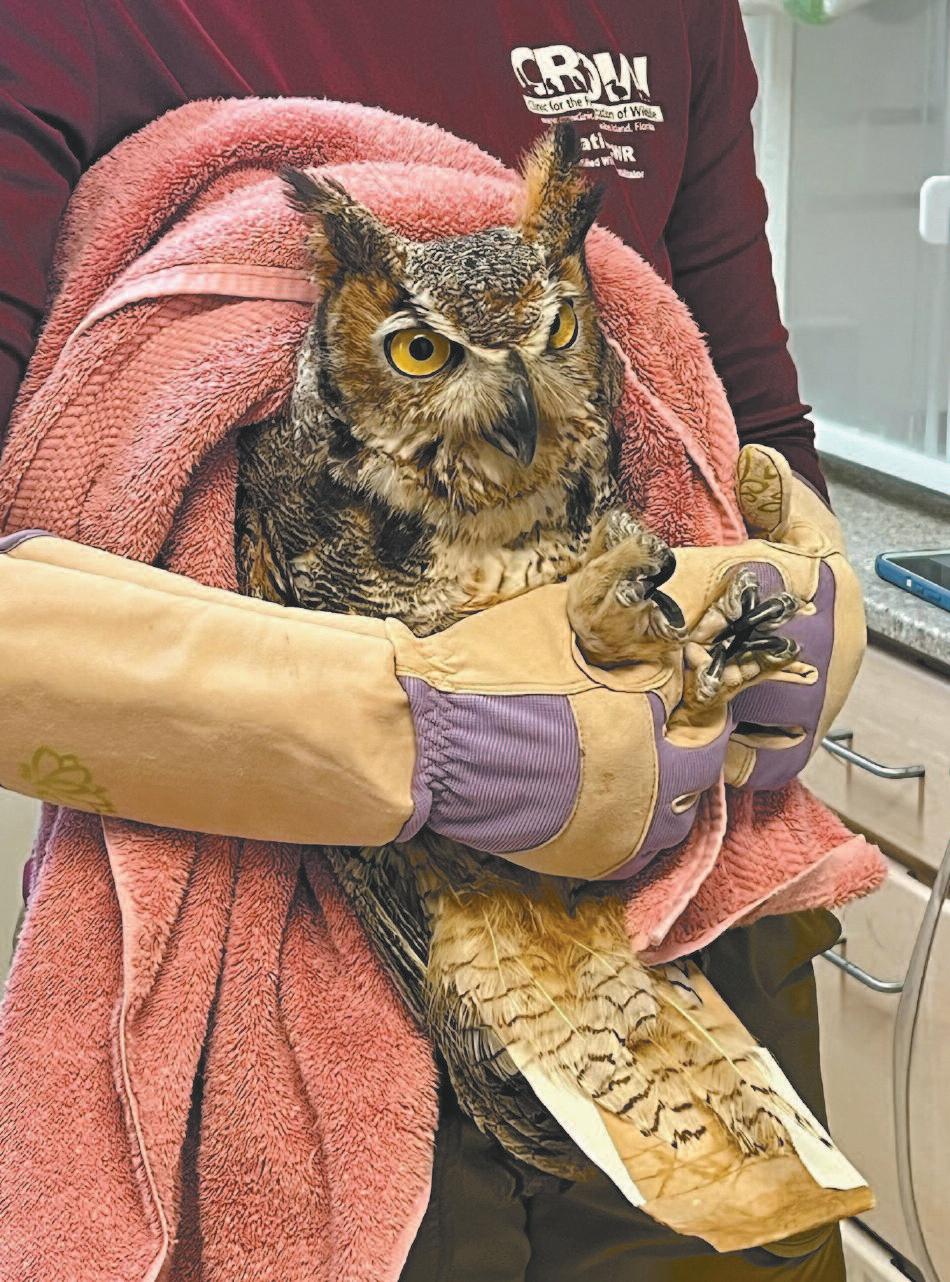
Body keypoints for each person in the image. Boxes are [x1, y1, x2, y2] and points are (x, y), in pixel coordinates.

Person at [0, 3, 846, 1278]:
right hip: (286, 947)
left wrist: (797, 586)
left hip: (680, 893)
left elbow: (740, 415)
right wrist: (419, 735)